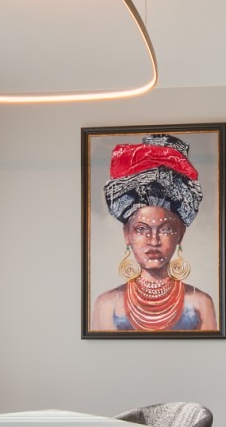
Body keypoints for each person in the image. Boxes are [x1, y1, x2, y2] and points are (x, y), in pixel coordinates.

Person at [90, 134, 218, 332]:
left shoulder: (200, 303)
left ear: (181, 233)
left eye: (166, 229)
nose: (154, 241)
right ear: (127, 234)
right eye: (141, 229)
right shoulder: (107, 304)